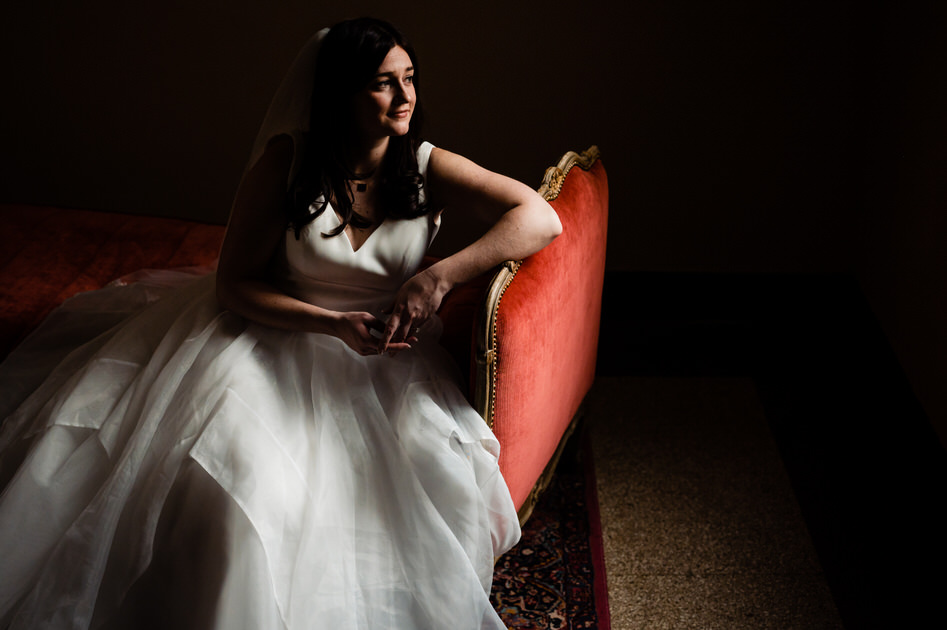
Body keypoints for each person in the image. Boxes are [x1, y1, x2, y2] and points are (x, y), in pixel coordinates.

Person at [0, 17, 561, 630]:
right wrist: (328, 322)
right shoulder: (289, 161)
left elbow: (539, 217)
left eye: (409, 80)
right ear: (342, 94)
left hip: (385, 368)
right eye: (382, 84)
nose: (404, 98)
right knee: (239, 486)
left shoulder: (425, 165)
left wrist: (438, 276)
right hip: (269, 340)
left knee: (410, 496)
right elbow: (234, 284)